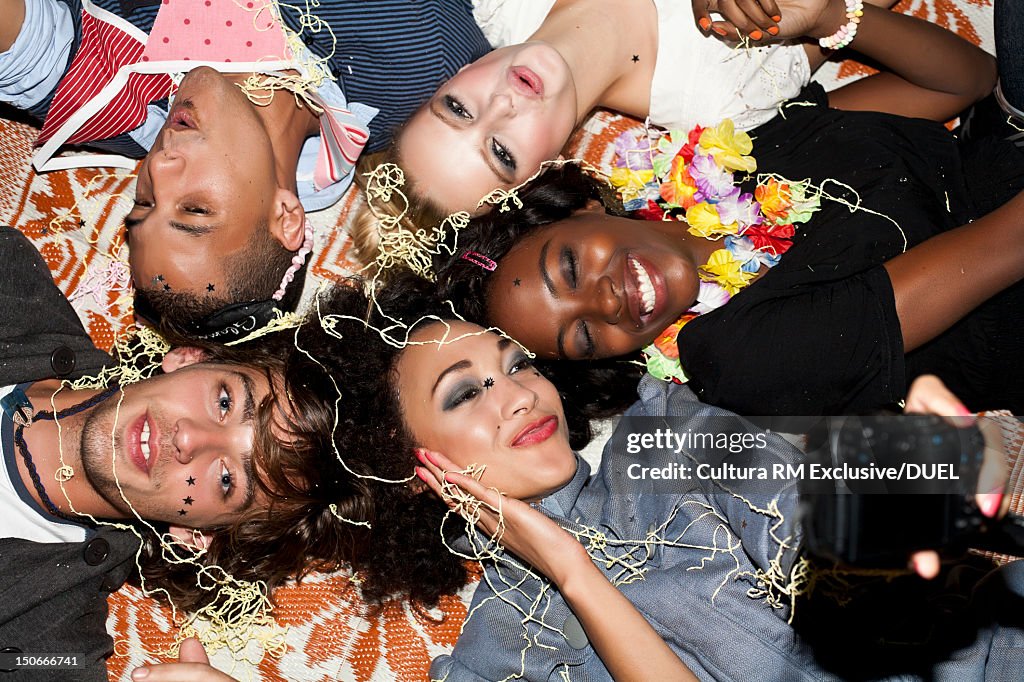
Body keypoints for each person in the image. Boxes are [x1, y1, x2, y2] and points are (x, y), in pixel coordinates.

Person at [243, 278, 1019, 682]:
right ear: (413, 472)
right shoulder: (500, 647)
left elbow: (804, 511)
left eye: (515, 365)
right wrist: (573, 574)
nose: (519, 392)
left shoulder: (660, 434)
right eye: (466, 392)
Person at [429, 0, 1024, 416]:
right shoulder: (738, 358)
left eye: (570, 269)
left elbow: (965, 81)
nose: (604, 301)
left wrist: (830, 18)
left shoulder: (730, 152)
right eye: (583, 335)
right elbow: (1006, 245)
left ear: (586, 209)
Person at [349, 0, 990, 263]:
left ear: (452, 75)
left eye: (458, 109)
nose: (500, 108)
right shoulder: (723, 102)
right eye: (500, 152)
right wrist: (831, 16)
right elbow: (967, 80)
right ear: (542, 173)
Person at [0, 0, 491, 337]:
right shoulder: (416, 73)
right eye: (194, 209)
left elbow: (29, 52)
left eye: (144, 202)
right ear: (286, 216)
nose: (161, 165)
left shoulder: (117, 101)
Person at [0, 225, 357, 680]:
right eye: (225, 402)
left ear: (195, 536)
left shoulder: (43, 644)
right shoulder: (11, 283)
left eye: (227, 479)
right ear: (190, 358)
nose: (190, 440)